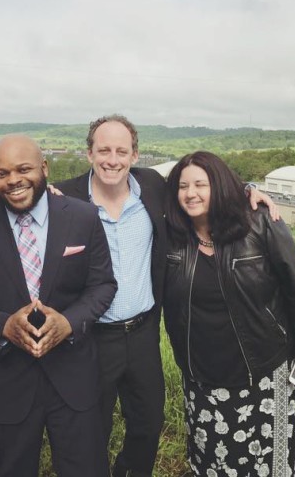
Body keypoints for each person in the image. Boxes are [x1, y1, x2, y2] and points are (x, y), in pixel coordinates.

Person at [56, 115, 282, 477]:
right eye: (103, 150)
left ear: (135, 155)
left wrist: (247, 188)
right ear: (89, 154)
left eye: (121, 151)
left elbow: (203, 184)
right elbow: (15, 198)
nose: (112, 159)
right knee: (91, 427)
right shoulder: (63, 196)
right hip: (90, 338)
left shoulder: (152, 186)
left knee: (148, 422)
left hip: (143, 332)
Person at [0, 134, 118, 477]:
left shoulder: (83, 217)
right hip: (3, 379)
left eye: (24, 168)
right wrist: (1, 327)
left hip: (72, 378)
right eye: (1, 173)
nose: (13, 180)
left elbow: (102, 285)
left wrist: (69, 323)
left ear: (44, 168)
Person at [162, 151, 295, 477]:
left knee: (271, 460)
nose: (190, 193)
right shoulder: (172, 235)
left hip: (263, 367)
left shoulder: (259, 223)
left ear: (218, 186)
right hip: (202, 374)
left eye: (200, 184)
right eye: (183, 186)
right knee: (214, 458)